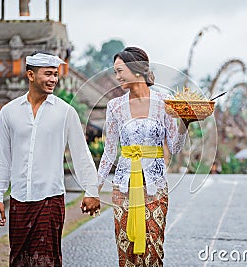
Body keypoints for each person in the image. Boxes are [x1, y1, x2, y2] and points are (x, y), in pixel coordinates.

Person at [0, 51, 100, 266]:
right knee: (18, 260)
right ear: (31, 75)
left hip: (50, 199)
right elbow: (3, 156)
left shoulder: (65, 112)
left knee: (47, 261)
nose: (53, 80)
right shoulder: (8, 112)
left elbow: (81, 154)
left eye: (55, 75)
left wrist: (92, 190)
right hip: (19, 200)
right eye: (48, 74)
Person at [97, 47, 196, 266]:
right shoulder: (115, 106)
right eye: (115, 72)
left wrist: (184, 124)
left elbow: (175, 146)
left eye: (120, 70)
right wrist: (93, 189)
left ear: (138, 70)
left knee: (154, 246)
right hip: (123, 187)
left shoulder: (165, 102)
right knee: (126, 247)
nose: (117, 76)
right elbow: (110, 151)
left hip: (155, 186)